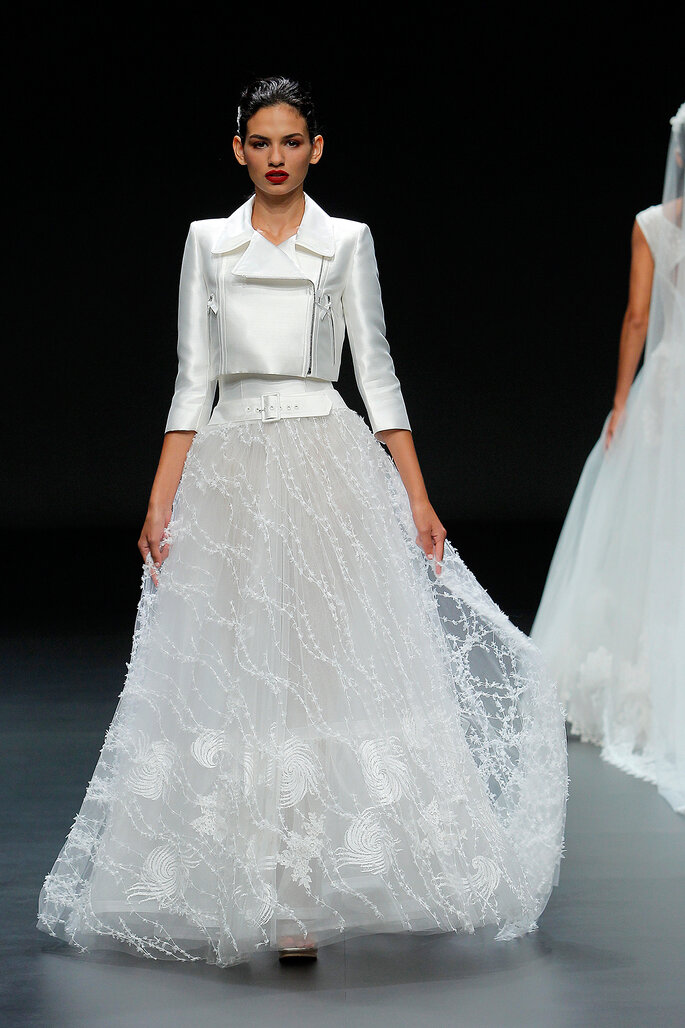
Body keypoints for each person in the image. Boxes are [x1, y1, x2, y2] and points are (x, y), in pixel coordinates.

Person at [38, 77, 567, 966]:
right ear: (237, 149)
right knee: (236, 662)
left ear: (315, 148)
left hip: (326, 463)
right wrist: (163, 492)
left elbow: (380, 370)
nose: (276, 155)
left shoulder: (345, 242)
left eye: (291, 140)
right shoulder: (209, 242)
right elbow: (191, 375)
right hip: (233, 467)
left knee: (324, 668)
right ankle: (248, 877)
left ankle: (301, 890)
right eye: (260, 140)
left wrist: (417, 493)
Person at [532, 104, 685, 814]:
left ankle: (641, 673)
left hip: (669, 384)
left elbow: (636, 316)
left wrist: (621, 400)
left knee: (653, 526)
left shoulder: (654, 224)